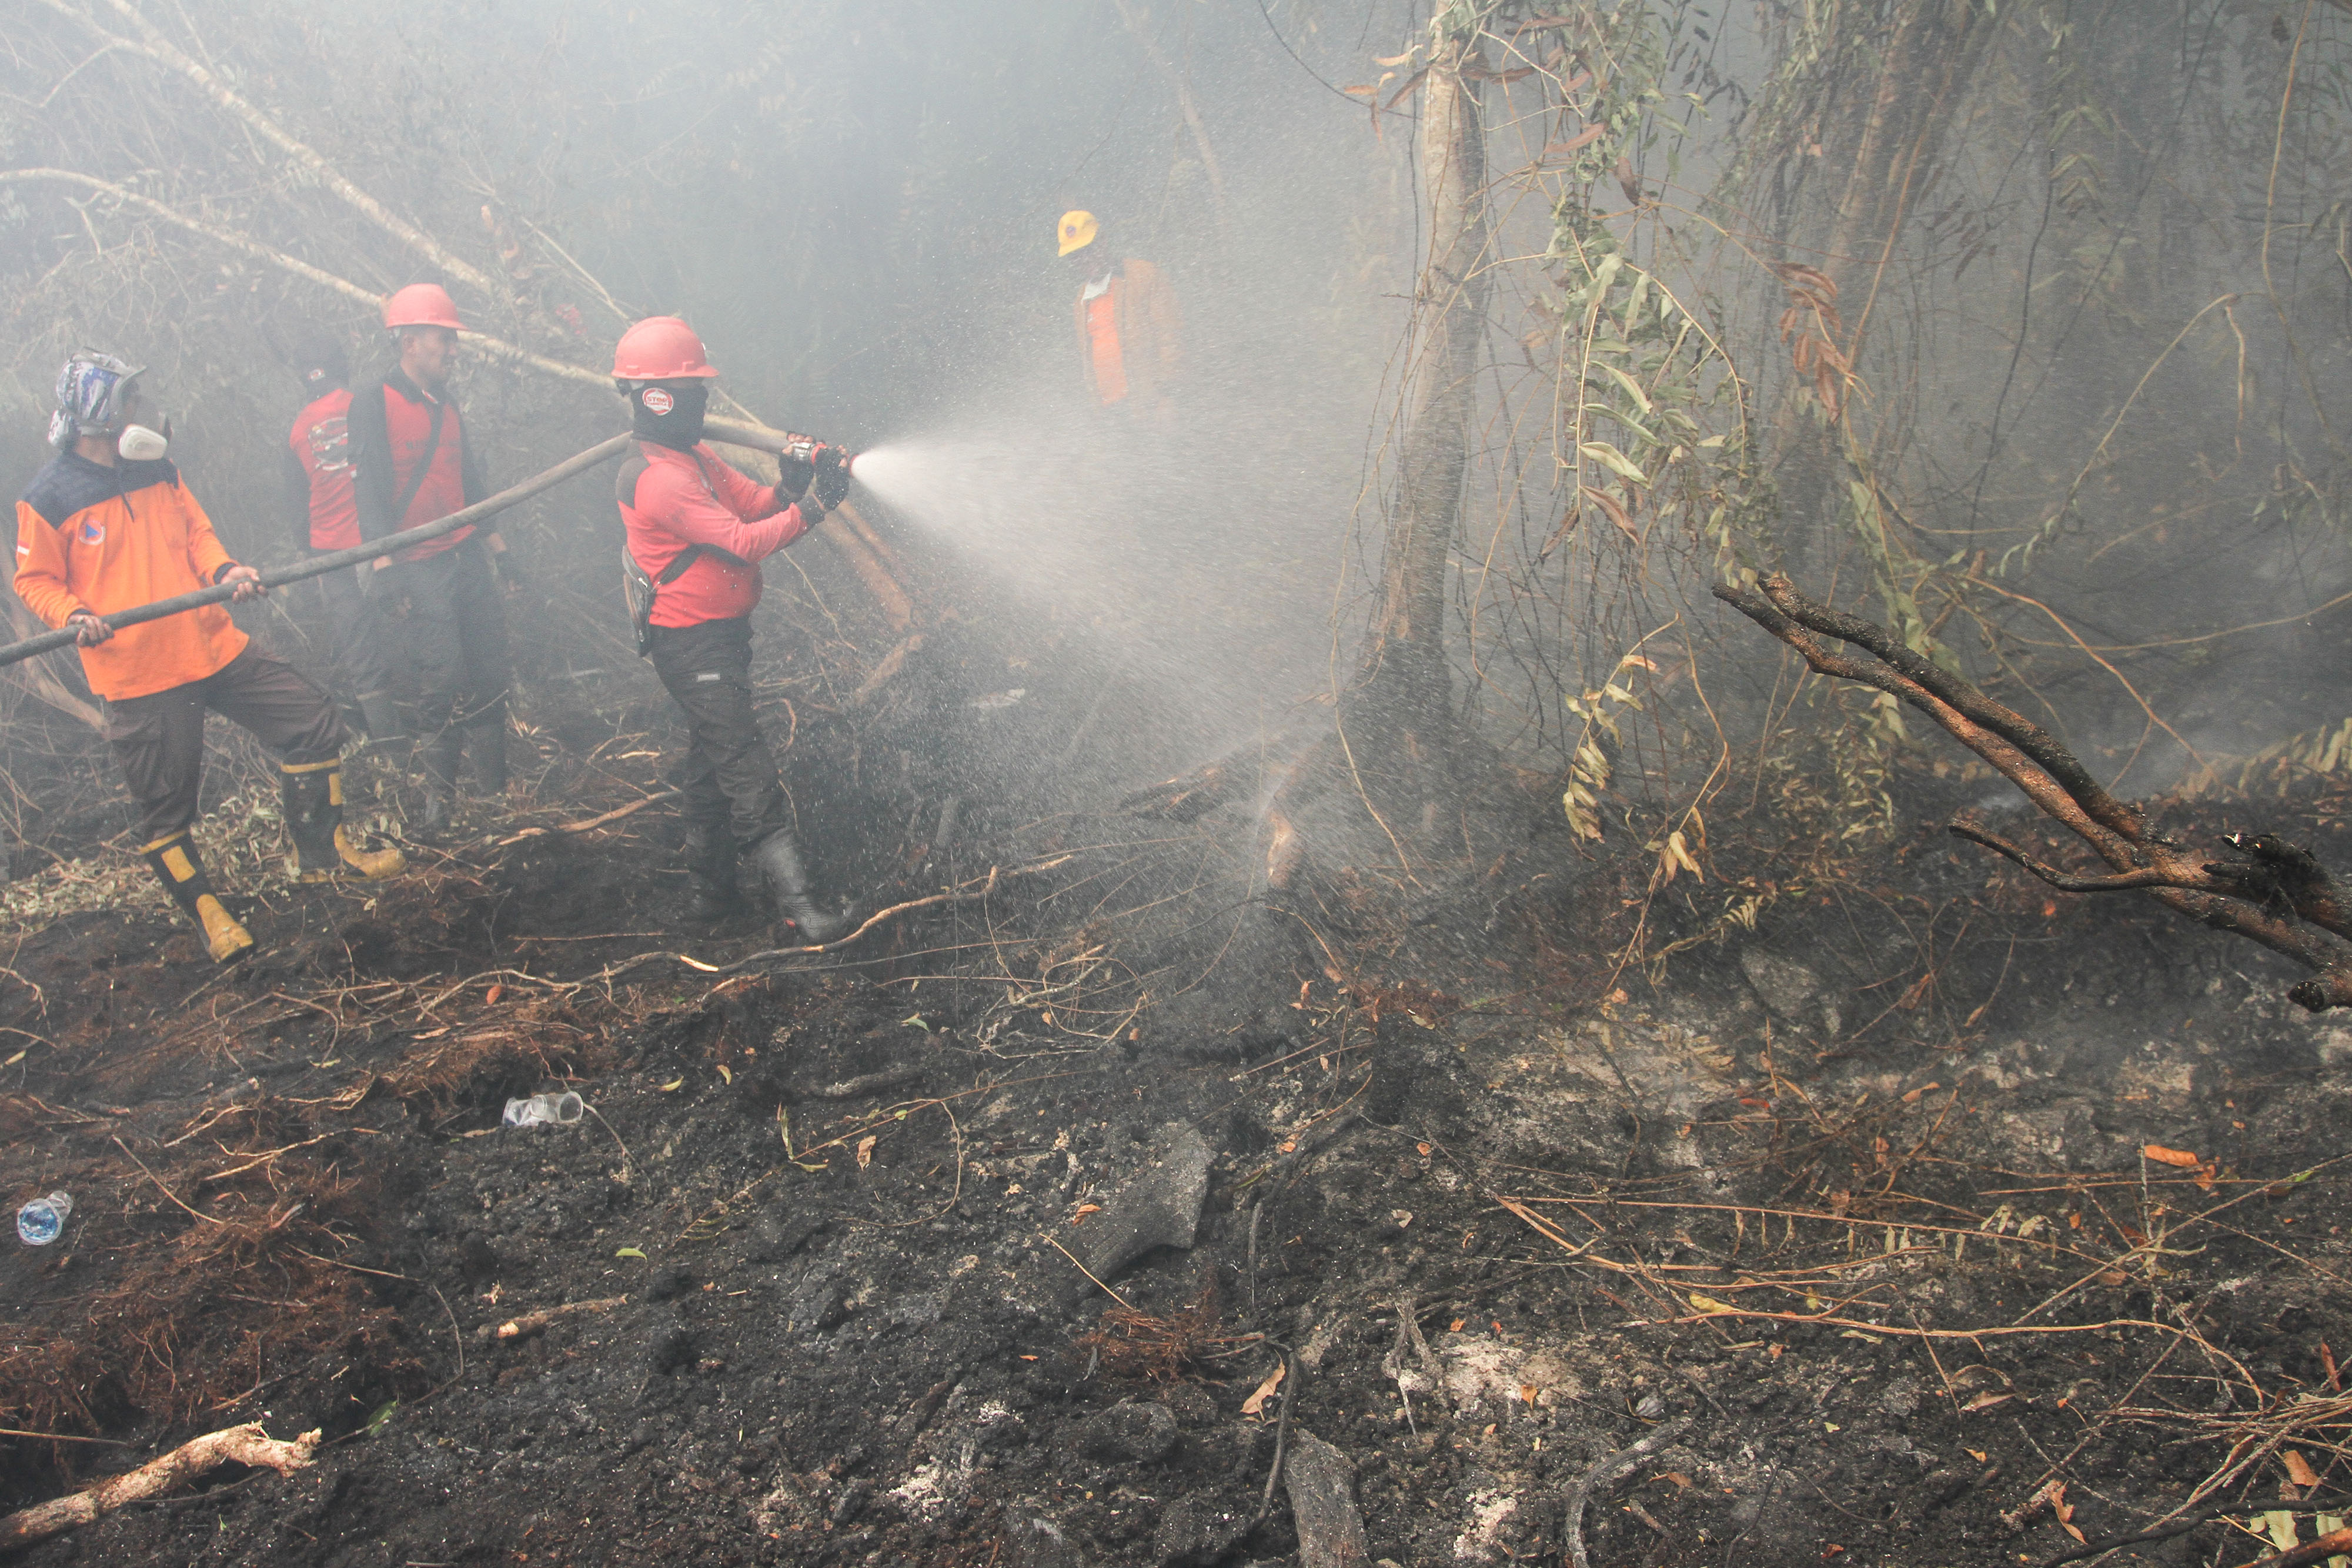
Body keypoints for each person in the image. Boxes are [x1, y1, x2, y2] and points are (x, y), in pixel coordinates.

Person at [12, 350, 404, 963]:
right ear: (99, 412)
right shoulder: (47, 497)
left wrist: (225, 571)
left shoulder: (158, 468)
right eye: (128, 398)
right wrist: (73, 615)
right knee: (166, 807)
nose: (139, 407)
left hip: (211, 643)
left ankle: (322, 858)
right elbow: (35, 579)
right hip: (140, 672)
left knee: (309, 720)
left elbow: (196, 533)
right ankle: (210, 917)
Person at [611, 315, 851, 940]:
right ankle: (801, 908)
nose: (703, 401)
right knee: (744, 763)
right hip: (691, 645)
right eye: (693, 390)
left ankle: (709, 896)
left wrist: (790, 488)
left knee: (708, 763)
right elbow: (742, 543)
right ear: (657, 397)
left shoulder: (690, 455)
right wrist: (817, 506)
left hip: (717, 638)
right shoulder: (656, 478)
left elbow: (750, 507)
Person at [349, 283, 519, 831]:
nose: (452, 349)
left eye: (452, 339)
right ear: (409, 342)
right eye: (443, 339)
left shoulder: (446, 400)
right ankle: (439, 807)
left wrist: (500, 552)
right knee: (441, 679)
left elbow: (470, 479)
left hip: (464, 555)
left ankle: (494, 796)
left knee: (489, 668)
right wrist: (383, 569)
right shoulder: (373, 399)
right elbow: (368, 493)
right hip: (415, 565)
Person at [283, 334, 401, 745]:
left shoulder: (296, 429)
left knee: (358, 643)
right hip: (376, 542)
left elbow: (297, 505)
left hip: (329, 552)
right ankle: (423, 729)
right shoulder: (364, 406)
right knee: (401, 625)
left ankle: (391, 748)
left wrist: (311, 553)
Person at [1059, 210, 1183, 426]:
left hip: (1150, 406)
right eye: (1075, 255)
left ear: (1103, 241)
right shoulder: (1081, 300)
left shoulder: (1143, 275)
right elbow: (1088, 360)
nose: (1084, 260)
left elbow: (1170, 336)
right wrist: (1096, 411)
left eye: (1088, 250)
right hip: (1110, 415)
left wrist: (1169, 396)